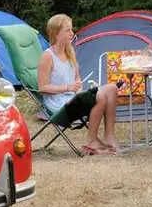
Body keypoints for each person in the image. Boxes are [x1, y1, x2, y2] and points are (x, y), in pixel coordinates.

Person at [38, 14, 120, 155]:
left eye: (71, 29)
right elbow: (43, 88)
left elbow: (77, 80)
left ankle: (108, 137)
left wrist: (79, 90)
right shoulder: (47, 57)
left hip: (73, 97)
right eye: (67, 30)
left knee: (112, 88)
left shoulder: (70, 52)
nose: (72, 33)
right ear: (56, 34)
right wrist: (68, 87)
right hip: (58, 103)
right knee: (99, 96)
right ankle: (91, 141)